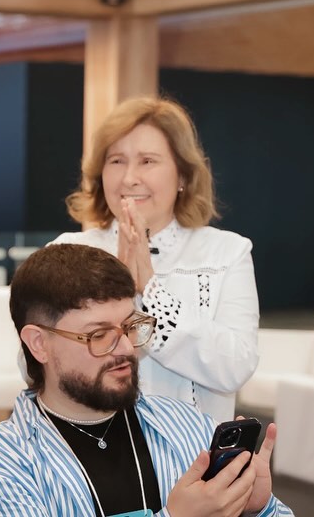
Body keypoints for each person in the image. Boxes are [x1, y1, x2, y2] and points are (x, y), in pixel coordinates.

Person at [0, 244, 292, 517]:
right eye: (99, 335)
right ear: (39, 344)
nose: (126, 348)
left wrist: (258, 510)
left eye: (130, 326)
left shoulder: (187, 426)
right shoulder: (0, 467)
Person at [51, 96, 258, 422]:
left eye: (147, 161)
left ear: (183, 177)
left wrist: (150, 289)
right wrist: (115, 292)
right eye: (116, 161)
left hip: (195, 451)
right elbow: (33, 363)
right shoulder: (68, 250)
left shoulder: (227, 252)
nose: (129, 178)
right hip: (90, 448)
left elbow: (235, 367)